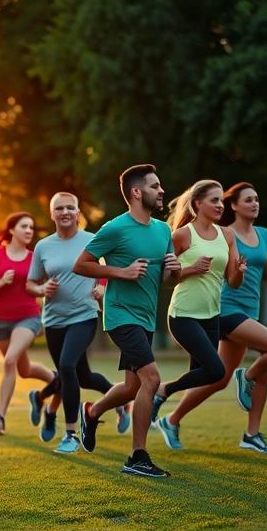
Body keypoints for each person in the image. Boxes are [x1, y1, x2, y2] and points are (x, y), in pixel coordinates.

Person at [160, 182, 267, 453]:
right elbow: (224, 277)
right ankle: (245, 377)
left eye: (257, 199)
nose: (255, 203)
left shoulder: (264, 235)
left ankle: (175, 421)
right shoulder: (224, 234)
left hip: (250, 311)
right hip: (226, 309)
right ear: (234, 205)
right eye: (248, 199)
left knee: (220, 379)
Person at [73, 164, 181, 478]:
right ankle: (137, 457)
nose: (162, 191)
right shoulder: (115, 229)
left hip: (146, 318)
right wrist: (120, 272)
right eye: (155, 186)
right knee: (152, 379)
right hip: (121, 315)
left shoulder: (163, 231)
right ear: (137, 192)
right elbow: (82, 265)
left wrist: (174, 270)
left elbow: (167, 282)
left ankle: (91, 412)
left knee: (133, 387)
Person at [26, 193, 128, 454]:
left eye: (70, 207)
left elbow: (109, 269)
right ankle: (117, 402)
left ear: (78, 211)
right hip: (54, 320)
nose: (65, 212)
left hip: (84, 315)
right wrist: (42, 288)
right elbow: (30, 283)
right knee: (81, 376)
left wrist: (103, 289)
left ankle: (70, 433)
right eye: (59, 208)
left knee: (66, 366)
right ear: (52, 214)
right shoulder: (43, 246)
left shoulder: (92, 240)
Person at [148, 181, 246, 446]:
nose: (219, 206)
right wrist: (191, 269)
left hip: (211, 316)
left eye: (221, 201)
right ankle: (162, 390)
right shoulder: (182, 236)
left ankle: (170, 423)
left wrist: (239, 271)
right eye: (214, 200)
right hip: (183, 315)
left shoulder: (227, 236)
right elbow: (165, 279)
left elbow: (233, 282)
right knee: (216, 371)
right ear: (198, 204)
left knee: (201, 376)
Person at [0, 211, 60, 436]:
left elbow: (48, 281)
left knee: (10, 361)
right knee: (23, 369)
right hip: (1, 320)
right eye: (25, 226)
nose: (29, 231)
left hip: (28, 317)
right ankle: (57, 380)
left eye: (31, 227)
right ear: (12, 230)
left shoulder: (35, 258)